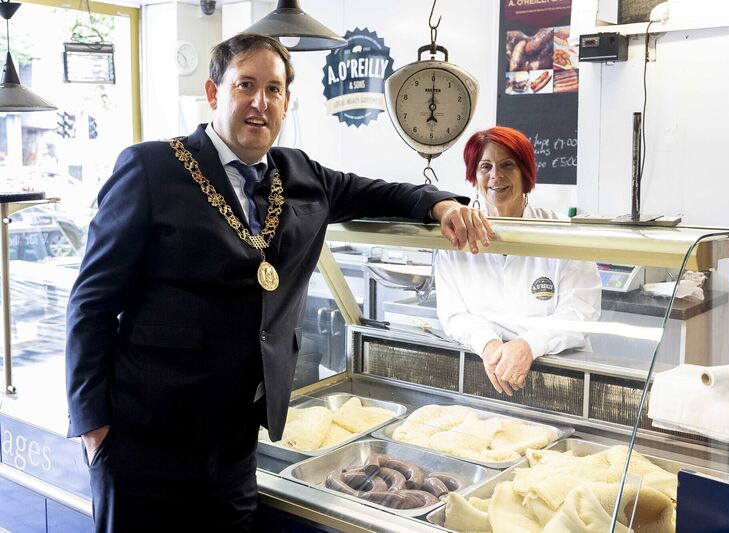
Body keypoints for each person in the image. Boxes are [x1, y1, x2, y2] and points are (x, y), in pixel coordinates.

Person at [65, 33, 494, 532]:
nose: (259, 102)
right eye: (245, 85)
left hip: (235, 444)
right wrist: (93, 426)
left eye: (273, 89)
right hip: (148, 435)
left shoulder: (301, 174)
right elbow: (91, 302)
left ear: (287, 101)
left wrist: (443, 204)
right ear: (213, 93)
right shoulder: (152, 168)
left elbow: (388, 193)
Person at [435, 126, 601, 396]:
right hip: (487, 371)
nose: (495, 176)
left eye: (507, 165)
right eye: (485, 166)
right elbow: (453, 313)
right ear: (474, 177)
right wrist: (488, 344)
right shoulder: (458, 236)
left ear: (525, 173)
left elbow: (580, 313)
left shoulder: (562, 232)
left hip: (561, 379)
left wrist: (528, 345)